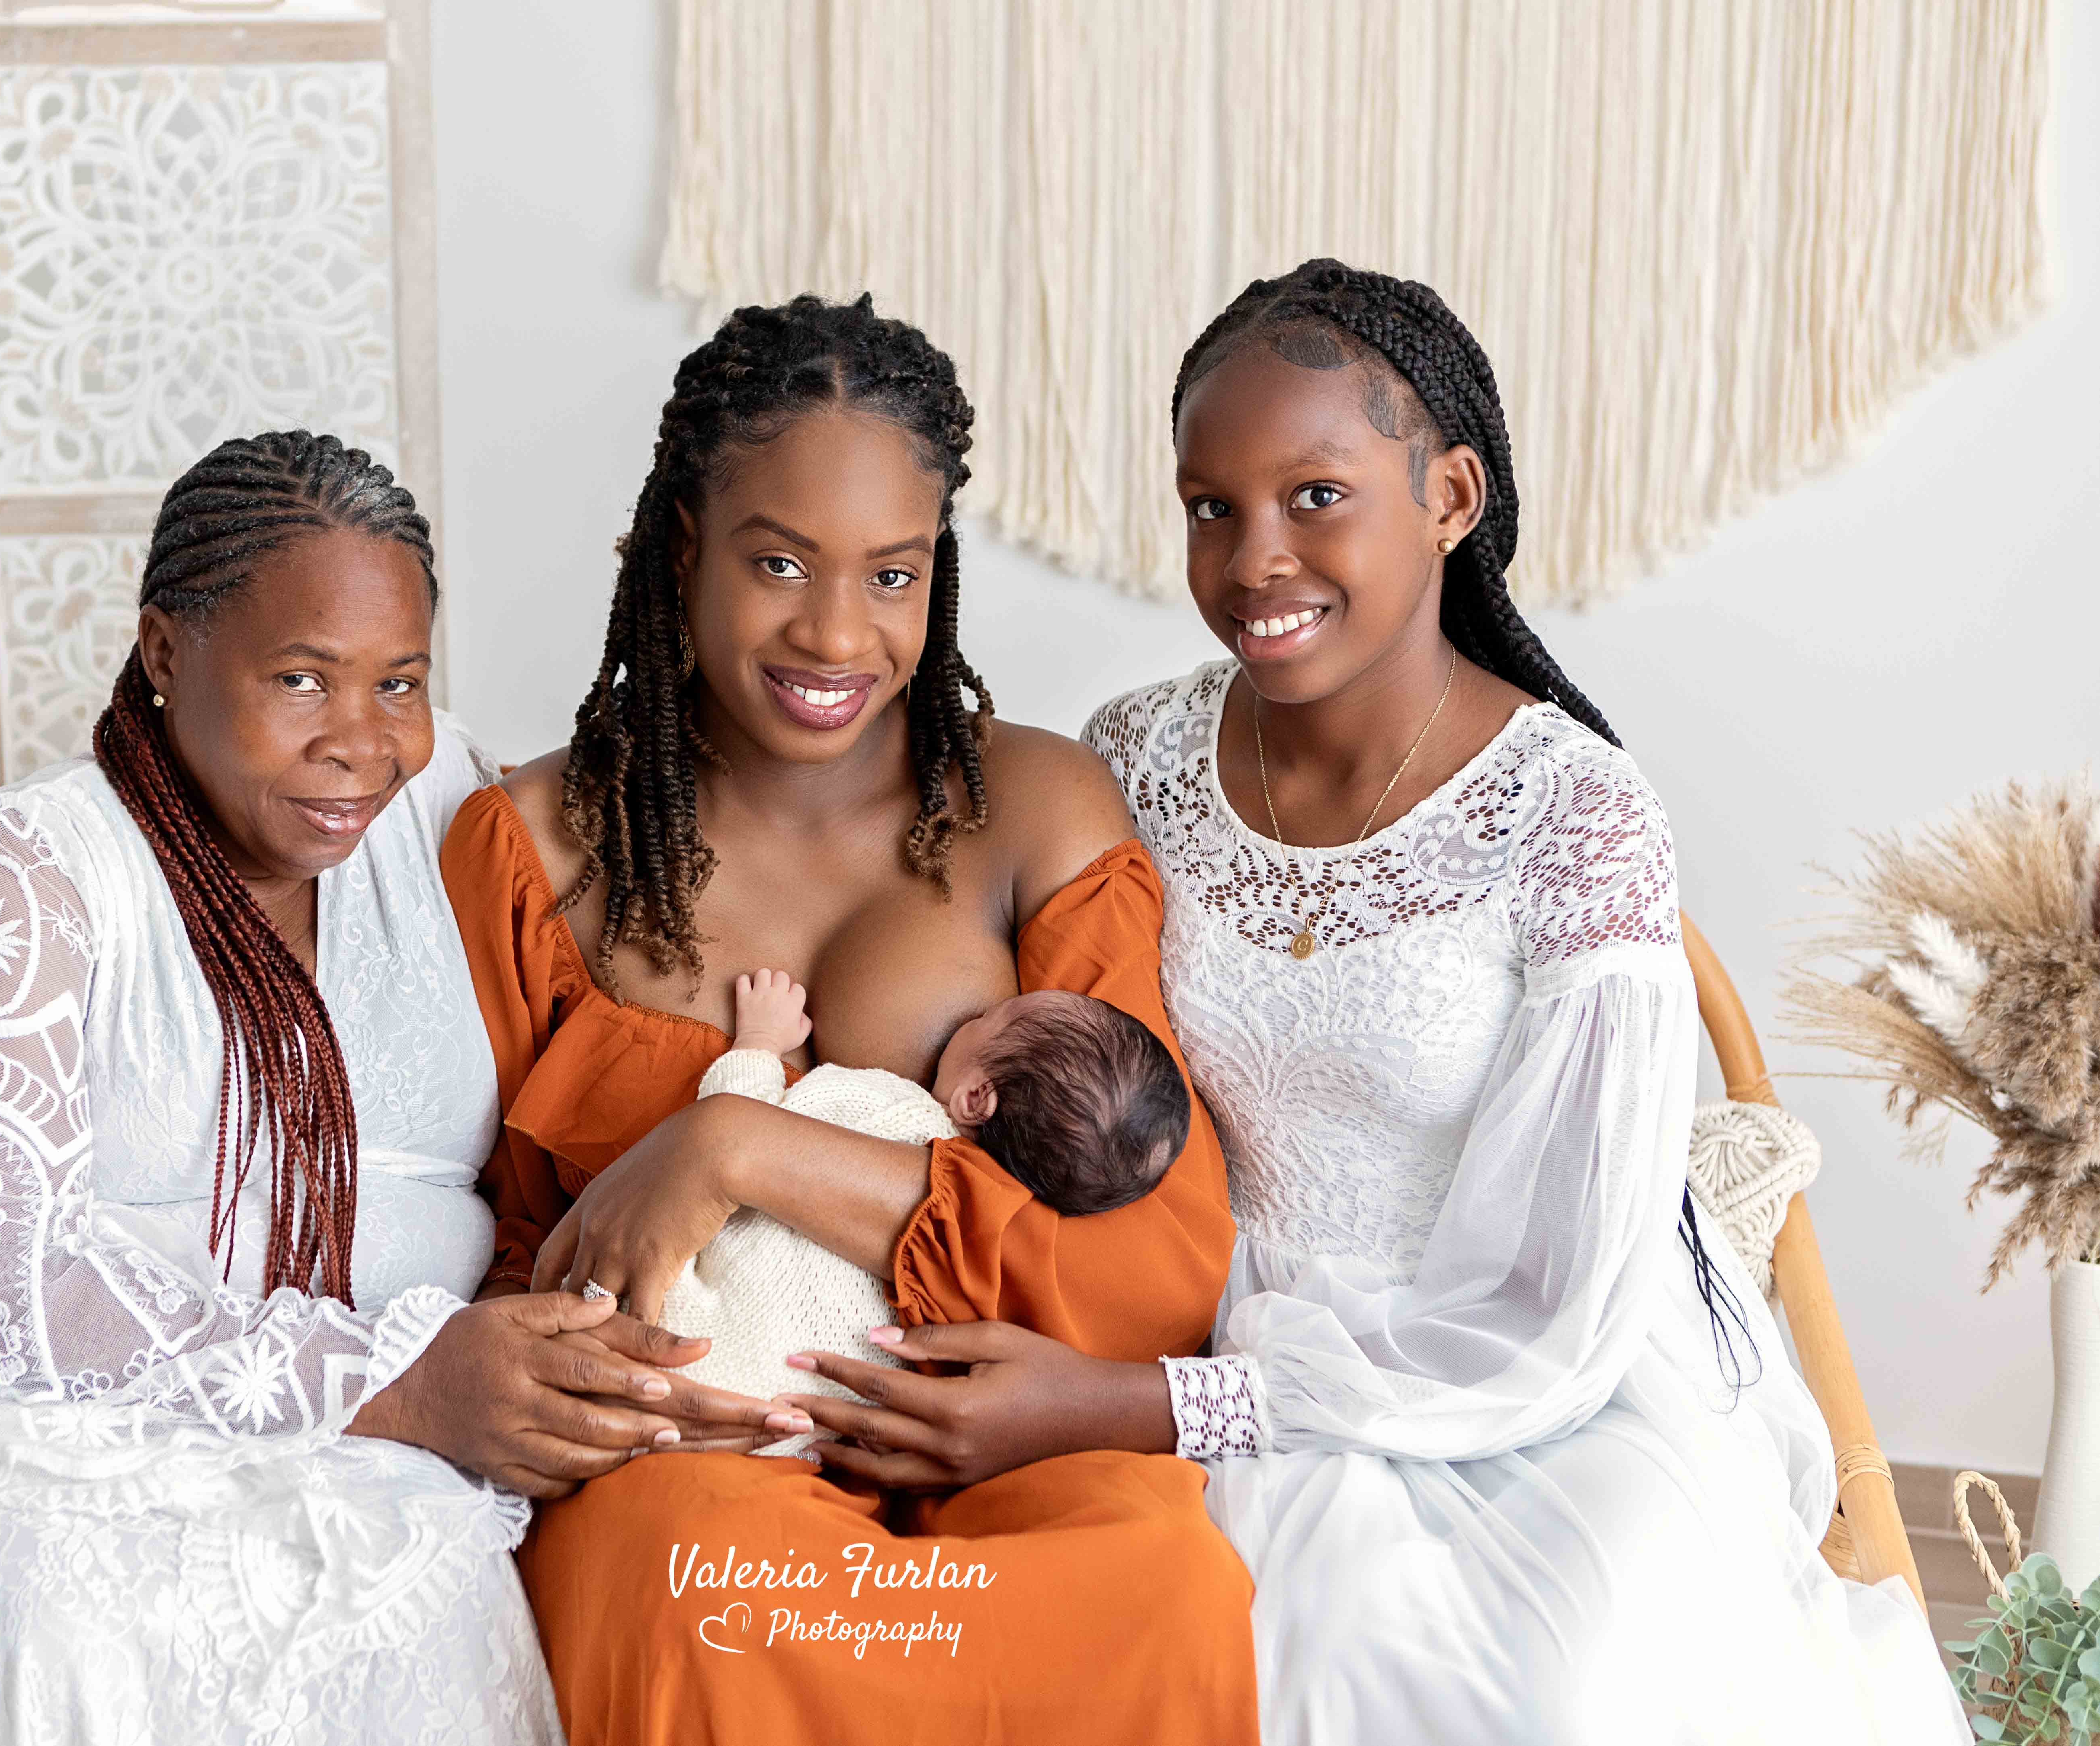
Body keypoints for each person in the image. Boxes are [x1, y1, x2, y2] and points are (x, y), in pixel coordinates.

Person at [777, 261, 1968, 1743]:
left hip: (1531, 1384)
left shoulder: (1579, 817)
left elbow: (1551, 1317)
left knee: (1536, 1689)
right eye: (1211, 507)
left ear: (1453, 494)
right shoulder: (1131, 758)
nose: (1253, 558)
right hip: (1185, 1312)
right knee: (1115, 1645)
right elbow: (1039, 1079)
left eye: (1315, 496)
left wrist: (1136, 1402)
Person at [0, 432, 786, 1746]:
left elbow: (661, 895)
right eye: (301, 679)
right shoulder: (26, 880)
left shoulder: (450, 816)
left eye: (398, 682)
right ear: (166, 650)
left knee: (417, 1581)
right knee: (39, 1608)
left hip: (358, 1442)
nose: (360, 743)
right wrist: (388, 1384)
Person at [442, 294, 1259, 1742]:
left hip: (981, 1433)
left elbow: (1153, 1244)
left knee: (1163, 1578)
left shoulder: (1038, 810)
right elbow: (482, 1233)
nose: (836, 632)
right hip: (695, 1450)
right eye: (777, 563)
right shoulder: (531, 848)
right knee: (686, 1590)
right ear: (681, 549)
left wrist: (732, 1151)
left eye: (892, 574)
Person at [660, 968, 1194, 1446]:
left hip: (685, 1338)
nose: (979, 1012)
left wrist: (758, 1041)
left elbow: (738, 1125)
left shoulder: (890, 1109)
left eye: (993, 1015)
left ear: (975, 1097)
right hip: (763, 1434)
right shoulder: (961, 1271)